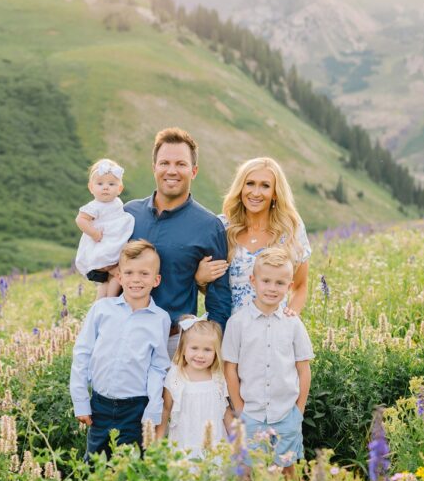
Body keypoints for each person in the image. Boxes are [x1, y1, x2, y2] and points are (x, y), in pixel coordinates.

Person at [125, 127, 231, 355]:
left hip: (174, 343)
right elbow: (101, 266)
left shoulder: (209, 226)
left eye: (181, 164)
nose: (171, 171)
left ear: (193, 171)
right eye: (164, 163)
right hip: (123, 335)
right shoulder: (128, 214)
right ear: (154, 168)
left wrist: (208, 352)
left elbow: (219, 301)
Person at [70, 240, 171, 461]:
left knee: (129, 466)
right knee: (94, 466)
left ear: (156, 280)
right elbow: (82, 353)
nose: (136, 279)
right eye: (129, 273)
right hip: (100, 405)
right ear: (120, 277)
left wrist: (153, 408)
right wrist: (80, 401)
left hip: (135, 407)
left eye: (144, 274)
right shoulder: (102, 309)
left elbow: (158, 366)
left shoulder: (160, 319)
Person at [221, 248, 314, 480]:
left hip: (286, 412)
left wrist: (298, 410)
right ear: (253, 281)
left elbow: (303, 369)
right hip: (251, 412)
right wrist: (239, 407)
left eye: (280, 283)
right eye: (266, 281)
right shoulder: (237, 323)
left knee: (287, 470)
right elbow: (229, 369)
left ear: (289, 286)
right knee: (249, 470)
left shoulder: (293, 324)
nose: (272, 288)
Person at [195, 157, 311, 315]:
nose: (256, 193)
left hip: (271, 330)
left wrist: (290, 316)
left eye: (265, 186)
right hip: (226, 327)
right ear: (241, 188)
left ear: (275, 193)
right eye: (250, 183)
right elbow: (211, 289)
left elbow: (300, 285)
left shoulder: (291, 228)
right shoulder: (222, 226)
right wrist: (200, 279)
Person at [155, 315, 231, 461]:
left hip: (214, 442)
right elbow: (166, 409)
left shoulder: (217, 377)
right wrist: (158, 440)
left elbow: (225, 410)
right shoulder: (176, 376)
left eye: (207, 350)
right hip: (185, 442)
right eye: (194, 348)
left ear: (216, 353)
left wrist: (238, 440)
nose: (200, 355)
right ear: (183, 349)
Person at [74, 158, 134, 298]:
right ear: (91, 188)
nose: (105, 187)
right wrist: (94, 233)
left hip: (111, 248)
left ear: (119, 189)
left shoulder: (116, 203)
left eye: (111, 184)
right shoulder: (95, 206)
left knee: (107, 281)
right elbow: (80, 220)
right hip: (101, 251)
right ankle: (111, 301)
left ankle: (100, 303)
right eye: (100, 183)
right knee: (118, 273)